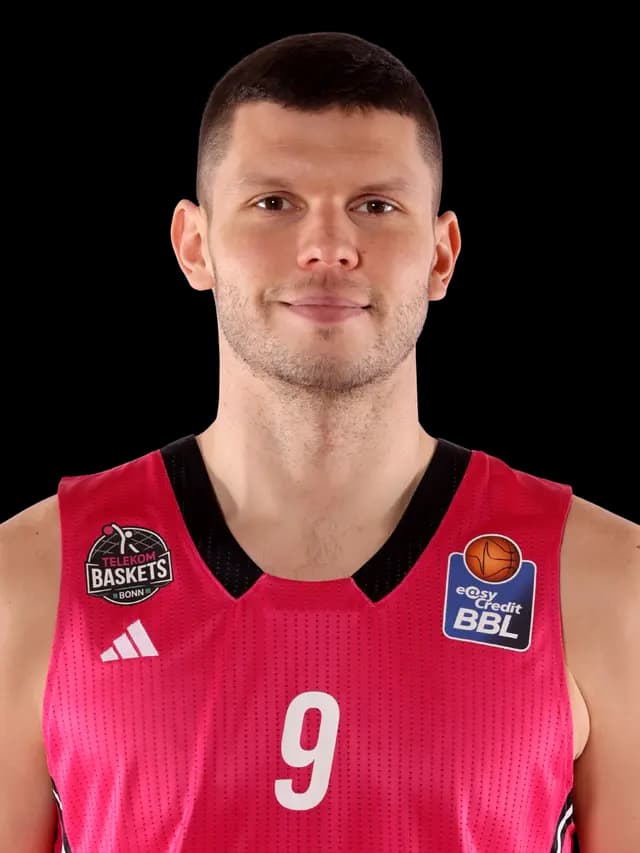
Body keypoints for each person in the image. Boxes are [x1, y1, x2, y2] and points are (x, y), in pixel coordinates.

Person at [1, 31, 637, 853]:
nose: (328, 246)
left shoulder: (602, 580)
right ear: (194, 245)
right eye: (274, 202)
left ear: (441, 255)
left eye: (376, 205)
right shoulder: (31, 576)